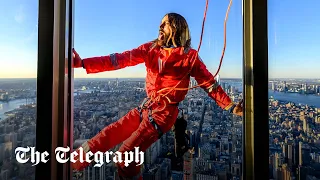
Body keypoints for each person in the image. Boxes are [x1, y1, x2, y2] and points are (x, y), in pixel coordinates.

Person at [72, 12, 243, 179]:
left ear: (177, 28)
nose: (160, 26)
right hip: (147, 106)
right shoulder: (151, 49)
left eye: (166, 23)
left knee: (125, 155)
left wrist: (230, 106)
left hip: (164, 114)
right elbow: (118, 60)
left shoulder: (189, 57)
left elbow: (209, 84)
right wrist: (83, 64)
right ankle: (71, 164)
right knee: (107, 135)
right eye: (161, 23)